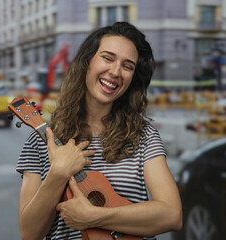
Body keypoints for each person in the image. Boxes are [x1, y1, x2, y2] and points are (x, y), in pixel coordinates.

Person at [16, 22, 182, 240]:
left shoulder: (144, 137)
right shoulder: (41, 140)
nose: (115, 72)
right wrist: (58, 173)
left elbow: (172, 215)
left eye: (128, 66)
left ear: (133, 78)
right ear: (87, 63)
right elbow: (29, 234)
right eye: (108, 58)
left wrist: (95, 217)